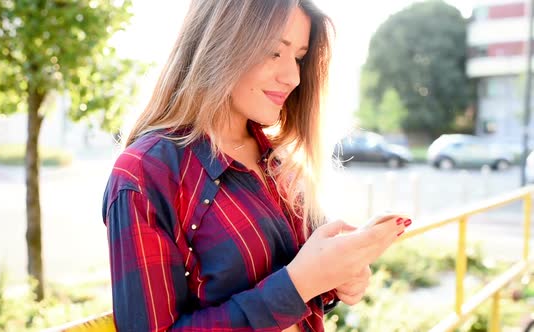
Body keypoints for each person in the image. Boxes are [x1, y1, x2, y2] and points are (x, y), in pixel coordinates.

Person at [102, 0, 412, 331]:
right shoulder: (145, 173)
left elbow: (303, 279)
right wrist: (300, 283)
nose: (293, 76)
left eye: (299, 57)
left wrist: (339, 275)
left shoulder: (278, 162)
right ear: (217, 42)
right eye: (273, 51)